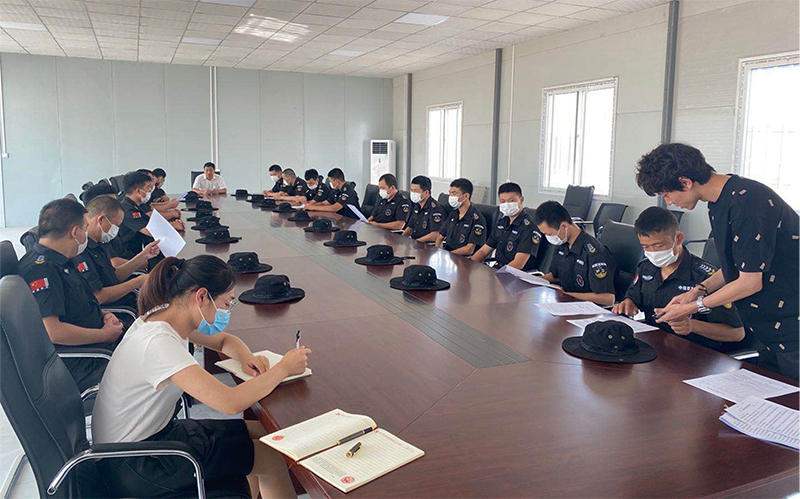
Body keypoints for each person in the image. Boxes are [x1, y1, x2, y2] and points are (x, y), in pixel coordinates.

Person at [92, 255, 311, 499]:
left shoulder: (164, 318)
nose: (226, 311)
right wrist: (284, 368)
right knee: (271, 457)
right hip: (134, 464)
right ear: (202, 297)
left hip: (148, 441)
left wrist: (246, 356)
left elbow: (225, 340)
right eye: (226, 303)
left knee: (267, 435)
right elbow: (230, 403)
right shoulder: (158, 343)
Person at [635, 143, 799, 379]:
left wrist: (693, 307)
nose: (669, 202)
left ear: (685, 182)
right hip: (767, 330)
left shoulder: (748, 202)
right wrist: (697, 291)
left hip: (791, 328)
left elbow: (750, 282)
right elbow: (739, 265)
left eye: (666, 194)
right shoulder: (720, 202)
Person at [18, 198, 124, 391]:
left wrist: (104, 315)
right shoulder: (42, 270)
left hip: (96, 346)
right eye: (85, 229)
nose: (86, 236)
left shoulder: (63, 261)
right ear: (75, 232)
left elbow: (80, 303)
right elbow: (54, 331)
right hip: (83, 361)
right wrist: (104, 335)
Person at [612, 207, 745, 351]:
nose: (652, 252)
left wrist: (693, 326)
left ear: (678, 239)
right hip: (654, 345)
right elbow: (633, 298)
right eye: (645, 246)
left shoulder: (706, 279)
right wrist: (628, 303)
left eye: (658, 245)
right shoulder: (646, 267)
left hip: (695, 353)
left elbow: (736, 333)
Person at [74, 196, 161, 310]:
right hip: (118, 309)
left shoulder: (98, 243)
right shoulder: (81, 251)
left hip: (126, 298)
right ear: (101, 220)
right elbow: (98, 296)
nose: (116, 230)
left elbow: (113, 276)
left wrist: (144, 255)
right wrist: (137, 282)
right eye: (116, 225)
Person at [535, 200, 616, 306]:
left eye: (549, 234)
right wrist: (533, 281)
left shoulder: (594, 253)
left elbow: (608, 298)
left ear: (564, 227)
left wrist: (565, 294)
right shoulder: (562, 244)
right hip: (565, 303)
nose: (548, 238)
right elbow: (555, 276)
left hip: (586, 309)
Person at [471, 182, 545, 271]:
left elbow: (518, 263)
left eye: (511, 200)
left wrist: (497, 275)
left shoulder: (530, 228)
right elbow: (484, 251)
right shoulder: (502, 222)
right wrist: (470, 266)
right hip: (498, 269)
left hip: (516, 274)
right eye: (503, 201)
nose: (507, 204)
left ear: (521, 200)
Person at [119, 171, 174, 260]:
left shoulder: (136, 205)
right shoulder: (128, 210)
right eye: (148, 188)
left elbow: (151, 222)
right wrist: (173, 226)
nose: (150, 191)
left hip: (140, 250)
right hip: (129, 256)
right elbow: (150, 231)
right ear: (138, 191)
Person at [83, 182, 135, 261]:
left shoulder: (109, 232)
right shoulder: (101, 235)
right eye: (111, 203)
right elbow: (115, 263)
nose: (116, 207)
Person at [435, 178, 486, 256]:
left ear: (466, 196)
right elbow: (439, 238)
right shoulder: (454, 214)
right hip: (448, 255)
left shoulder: (477, 220)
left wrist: (448, 255)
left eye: (454, 193)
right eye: (450, 193)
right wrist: (438, 253)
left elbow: (469, 249)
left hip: (463, 259)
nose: (451, 196)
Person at [402, 175, 446, 241]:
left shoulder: (435, 209)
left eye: (415, 191)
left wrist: (416, 242)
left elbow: (435, 235)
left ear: (426, 192)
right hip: (415, 242)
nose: (413, 193)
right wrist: (401, 239)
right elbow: (410, 227)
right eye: (411, 190)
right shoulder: (417, 206)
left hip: (426, 244)